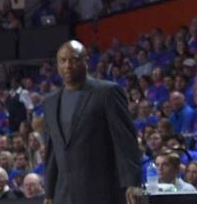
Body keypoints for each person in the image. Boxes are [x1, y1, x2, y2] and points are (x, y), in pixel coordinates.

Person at [42, 40, 144, 204]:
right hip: (64, 196)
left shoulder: (107, 92)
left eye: (74, 60)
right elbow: (53, 151)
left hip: (102, 192)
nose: (68, 65)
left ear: (86, 62)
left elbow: (125, 140)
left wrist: (133, 183)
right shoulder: (50, 102)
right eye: (63, 61)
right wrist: (49, 193)